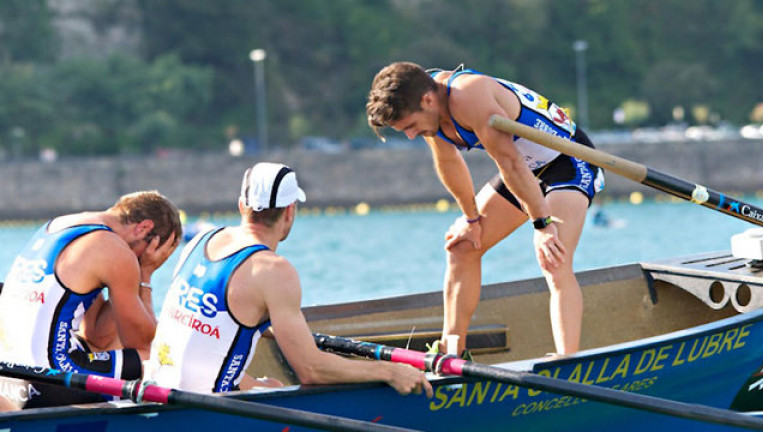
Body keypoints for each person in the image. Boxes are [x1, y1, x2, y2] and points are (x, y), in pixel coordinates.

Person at [367, 62, 603, 356]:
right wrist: (471, 218)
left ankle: (568, 361)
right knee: (463, 246)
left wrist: (543, 225)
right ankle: (451, 354)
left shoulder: (468, 95)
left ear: (428, 100)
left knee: (553, 258)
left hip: (567, 161)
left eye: (411, 127)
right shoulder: (424, 101)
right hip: (523, 169)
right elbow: (449, 162)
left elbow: (510, 163)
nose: (412, 136)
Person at [144, 162, 432, 397]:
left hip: (155, 393)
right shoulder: (273, 271)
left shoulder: (201, 240)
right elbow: (311, 370)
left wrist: (251, 384)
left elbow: (202, 342)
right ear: (290, 211)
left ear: (242, 206)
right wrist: (390, 371)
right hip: (205, 414)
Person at [0, 191, 182, 409]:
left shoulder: (62, 226)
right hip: (51, 380)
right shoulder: (113, 249)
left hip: (9, 378)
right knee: (159, 360)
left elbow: (96, 334)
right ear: (143, 228)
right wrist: (145, 273)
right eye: (153, 252)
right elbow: (143, 345)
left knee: (97, 346)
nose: (141, 259)